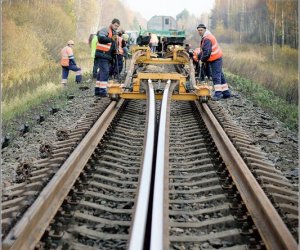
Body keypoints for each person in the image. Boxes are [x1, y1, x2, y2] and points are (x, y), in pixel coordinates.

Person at [197, 24, 230, 100]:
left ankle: (218, 94)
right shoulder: (206, 37)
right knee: (220, 75)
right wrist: (199, 56)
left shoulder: (207, 38)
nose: (200, 32)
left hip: (216, 58)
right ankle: (226, 93)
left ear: (205, 30)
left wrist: (201, 60)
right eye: (198, 30)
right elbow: (204, 50)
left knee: (215, 76)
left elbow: (207, 53)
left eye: (201, 30)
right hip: (215, 57)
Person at [94, 18, 120, 97]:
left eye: (118, 26)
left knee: (101, 73)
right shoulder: (105, 30)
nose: (116, 27)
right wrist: (110, 39)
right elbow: (101, 39)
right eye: (115, 25)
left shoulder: (114, 32)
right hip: (102, 54)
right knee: (105, 72)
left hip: (107, 55)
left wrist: (115, 50)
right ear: (112, 23)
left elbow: (113, 44)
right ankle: (102, 91)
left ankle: (98, 90)